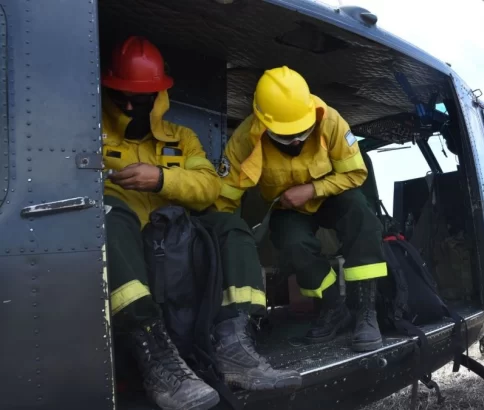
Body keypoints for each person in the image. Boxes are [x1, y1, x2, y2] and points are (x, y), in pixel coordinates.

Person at [102, 37, 300, 410]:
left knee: (228, 223)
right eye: (120, 96)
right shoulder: (90, 136)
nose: (129, 106)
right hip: (128, 251)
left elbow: (209, 188)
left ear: (159, 96)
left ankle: (234, 342)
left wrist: (161, 179)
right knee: (109, 214)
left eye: (140, 98)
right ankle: (152, 349)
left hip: (178, 247)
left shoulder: (182, 139)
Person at [213, 66, 387, 352]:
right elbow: (225, 197)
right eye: (286, 134)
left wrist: (312, 189)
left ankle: (367, 314)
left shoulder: (330, 120)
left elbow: (355, 174)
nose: (295, 140)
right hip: (287, 206)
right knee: (291, 244)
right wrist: (227, 238)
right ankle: (334, 307)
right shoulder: (244, 140)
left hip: (332, 194)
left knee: (362, 216)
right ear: (263, 123)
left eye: (302, 132)